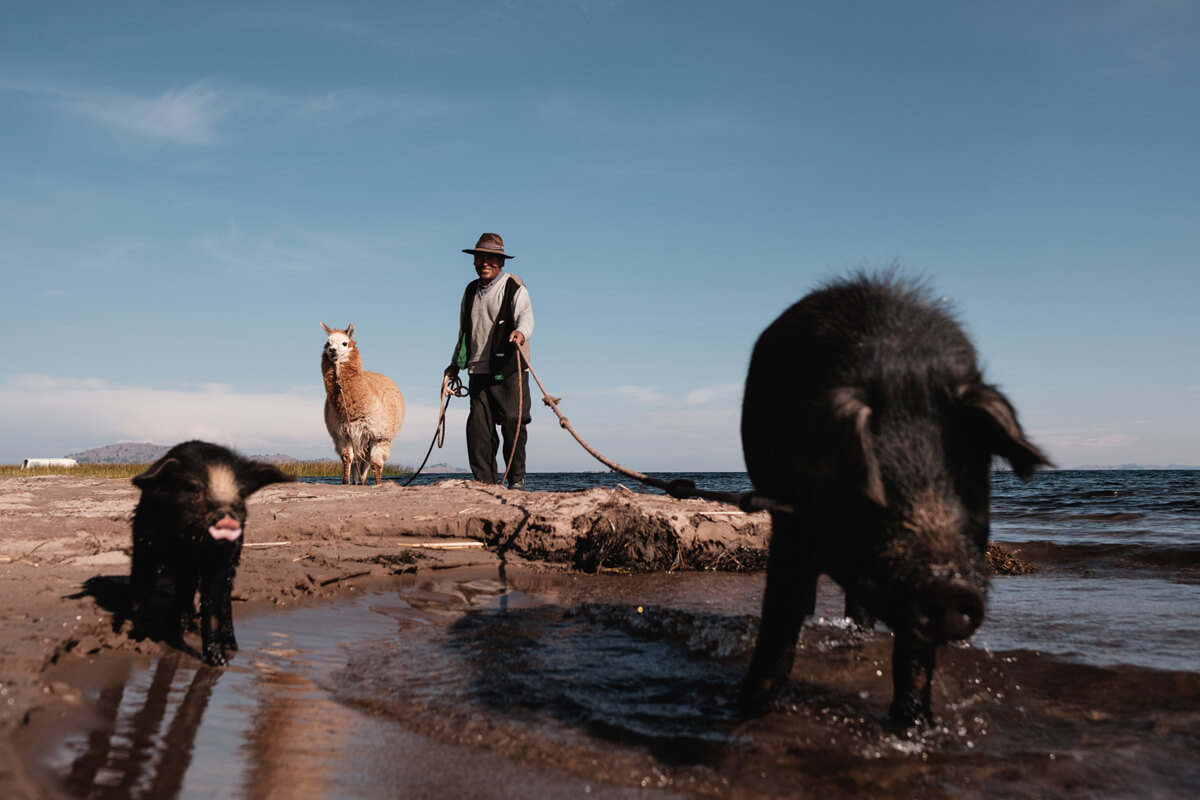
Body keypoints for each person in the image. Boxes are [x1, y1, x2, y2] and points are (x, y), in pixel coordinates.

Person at [445, 233, 534, 490]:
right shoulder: (470, 291)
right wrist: (454, 365)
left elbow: (526, 317)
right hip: (477, 370)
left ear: (501, 262)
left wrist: (521, 333)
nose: (485, 262)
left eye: (491, 258)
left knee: (513, 423)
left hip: (509, 369)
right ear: (474, 262)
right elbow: (464, 332)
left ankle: (516, 480)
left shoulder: (514, 285)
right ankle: (484, 483)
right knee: (478, 429)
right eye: (480, 257)